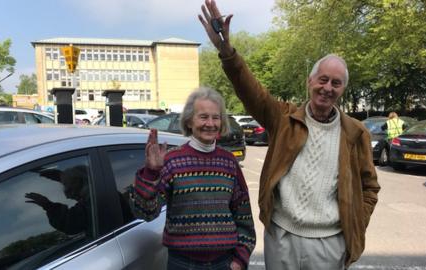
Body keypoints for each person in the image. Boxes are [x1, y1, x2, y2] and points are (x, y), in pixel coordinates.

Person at [198, 1, 380, 269]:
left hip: (330, 244)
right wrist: (227, 52)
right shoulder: (284, 118)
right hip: (282, 238)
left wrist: (354, 227)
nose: (327, 88)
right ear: (310, 81)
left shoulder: (355, 132)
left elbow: (370, 188)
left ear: (342, 89)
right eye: (323, 79)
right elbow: (251, 91)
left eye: (336, 83)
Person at [133, 87, 256, 270]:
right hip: (182, 264)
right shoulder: (172, 161)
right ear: (190, 121)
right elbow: (146, 213)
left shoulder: (229, 162)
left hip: (224, 263)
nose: (210, 123)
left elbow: (244, 218)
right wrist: (151, 173)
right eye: (203, 117)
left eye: (216, 117)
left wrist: (239, 261)